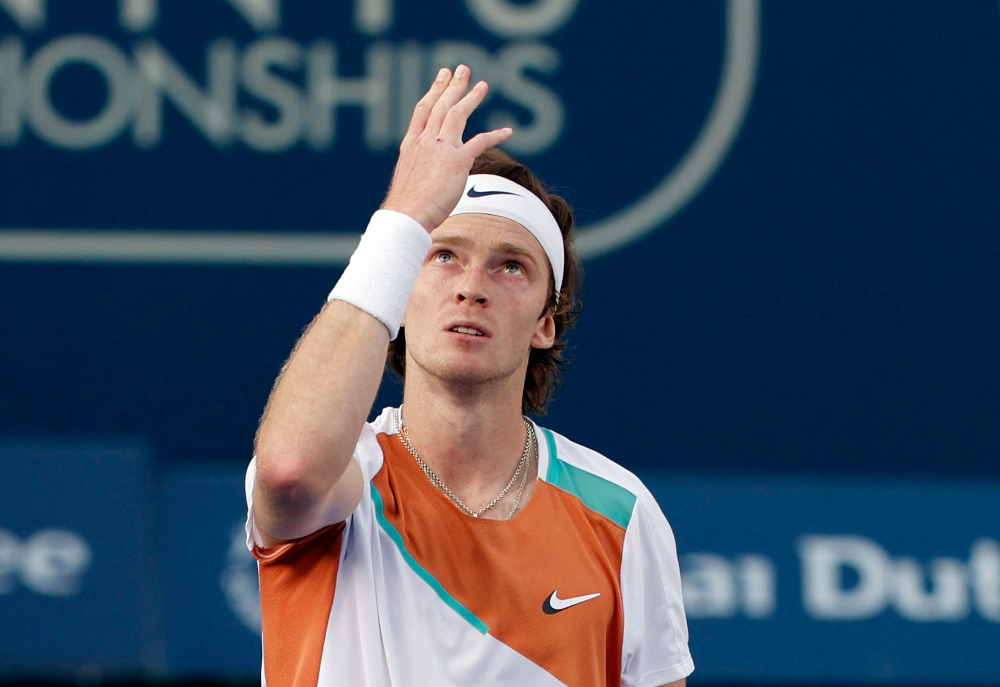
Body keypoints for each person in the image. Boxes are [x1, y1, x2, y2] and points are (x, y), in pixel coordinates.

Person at [246, 65, 694, 687]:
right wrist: (403, 218)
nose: (471, 287)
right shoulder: (346, 477)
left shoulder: (622, 514)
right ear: (399, 286)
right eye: (443, 256)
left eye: (510, 267)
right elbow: (288, 470)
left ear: (547, 321)